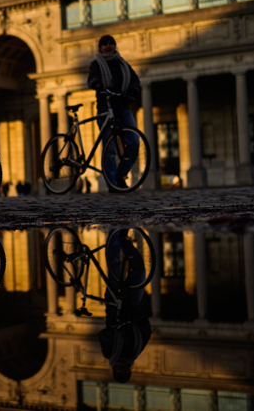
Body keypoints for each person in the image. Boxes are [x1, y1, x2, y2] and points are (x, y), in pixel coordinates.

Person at [87, 35, 141, 192]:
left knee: (134, 142)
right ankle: (112, 183)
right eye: (105, 44)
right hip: (106, 108)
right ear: (100, 48)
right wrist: (97, 84)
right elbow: (92, 77)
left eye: (111, 43)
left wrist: (132, 91)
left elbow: (134, 80)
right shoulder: (96, 64)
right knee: (109, 149)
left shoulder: (122, 63)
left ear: (115, 46)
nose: (108, 46)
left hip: (123, 107)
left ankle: (120, 175)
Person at [99, 230, 152, 383]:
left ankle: (114, 237)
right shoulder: (135, 351)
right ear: (130, 370)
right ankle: (124, 240)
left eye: (120, 371)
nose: (123, 369)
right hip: (132, 307)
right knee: (140, 271)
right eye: (126, 372)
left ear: (114, 369)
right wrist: (140, 319)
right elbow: (146, 333)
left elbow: (103, 336)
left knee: (114, 268)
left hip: (115, 307)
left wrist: (110, 331)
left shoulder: (109, 353)